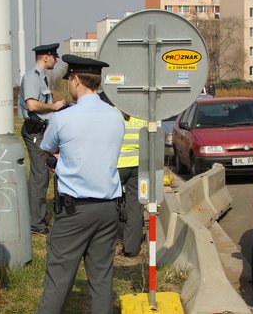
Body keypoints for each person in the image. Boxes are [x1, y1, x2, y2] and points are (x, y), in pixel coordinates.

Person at [37, 54, 125, 314]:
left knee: (59, 278)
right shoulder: (115, 116)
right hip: (109, 209)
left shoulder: (64, 118)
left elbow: (48, 148)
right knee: (101, 279)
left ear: (75, 80)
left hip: (74, 210)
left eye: (70, 80)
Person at [18, 43, 66, 235]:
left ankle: (45, 216)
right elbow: (31, 105)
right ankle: (36, 223)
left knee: (50, 171)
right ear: (46, 57)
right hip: (35, 131)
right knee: (40, 175)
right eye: (54, 56)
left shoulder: (43, 77)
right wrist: (54, 107)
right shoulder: (32, 77)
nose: (56, 59)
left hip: (44, 130)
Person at [117, 113, 148, 257]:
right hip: (138, 166)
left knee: (110, 203)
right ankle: (132, 248)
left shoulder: (114, 113)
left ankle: (113, 241)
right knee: (136, 206)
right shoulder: (142, 115)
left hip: (117, 165)